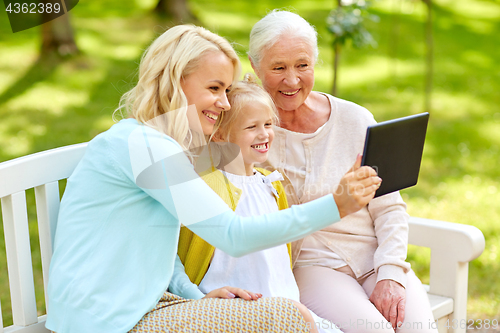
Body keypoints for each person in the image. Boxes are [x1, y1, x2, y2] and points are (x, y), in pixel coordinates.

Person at [45, 25, 381, 333]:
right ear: (176, 82)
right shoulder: (142, 147)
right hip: (104, 320)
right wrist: (336, 205)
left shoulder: (161, 146)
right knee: (290, 317)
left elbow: (161, 251)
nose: (223, 103)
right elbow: (234, 235)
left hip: (144, 302)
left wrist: (196, 297)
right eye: (214, 88)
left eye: (227, 89)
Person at [248, 10, 438, 333]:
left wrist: (390, 271)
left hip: (375, 258)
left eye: (302, 65)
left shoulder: (355, 119)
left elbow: (390, 207)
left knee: (418, 329)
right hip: (313, 267)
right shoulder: (251, 132)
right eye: (278, 67)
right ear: (254, 67)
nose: (292, 80)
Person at [170, 75, 342, 333]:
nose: (264, 134)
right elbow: (177, 247)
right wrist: (194, 295)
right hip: (233, 312)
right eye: (252, 127)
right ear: (220, 135)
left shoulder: (271, 184)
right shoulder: (206, 187)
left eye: (269, 124)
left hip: (286, 305)